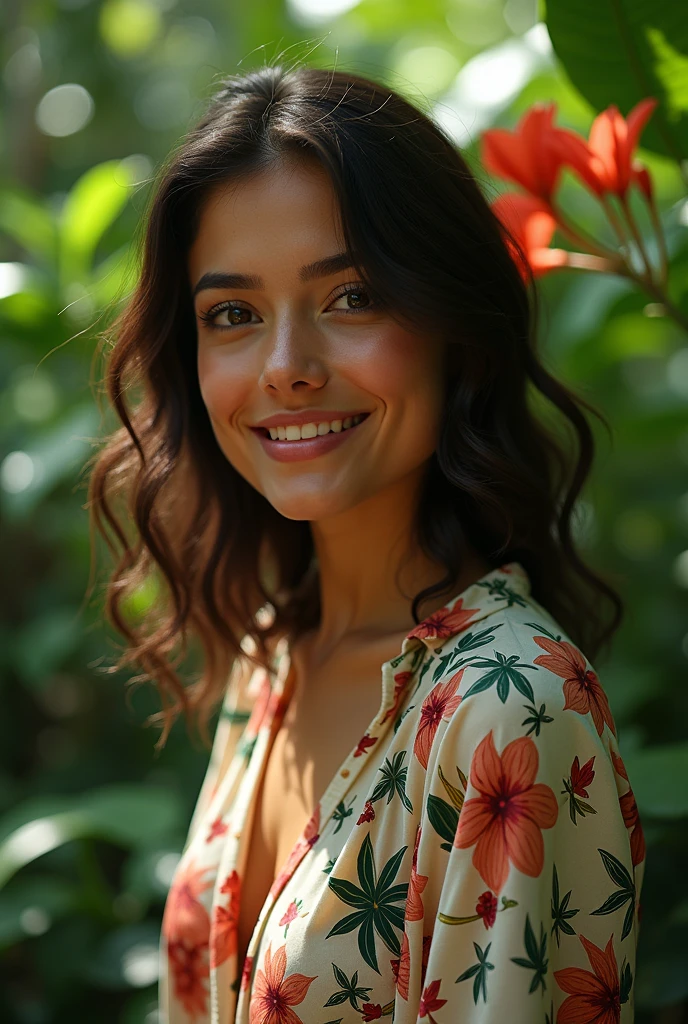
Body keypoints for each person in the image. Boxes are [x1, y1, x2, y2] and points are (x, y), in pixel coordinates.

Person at [87, 63, 645, 1023]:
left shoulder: (510, 709)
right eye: (232, 314)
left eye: (350, 298)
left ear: (453, 327)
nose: (286, 367)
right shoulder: (271, 653)